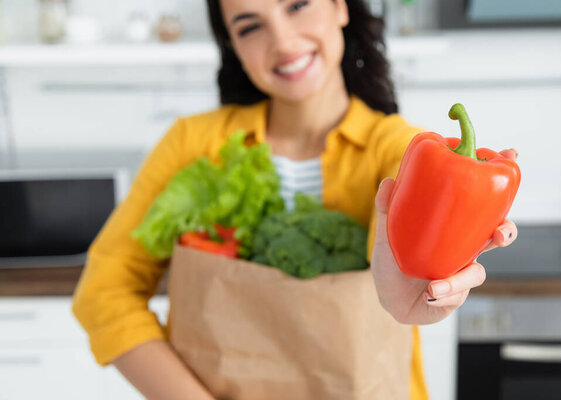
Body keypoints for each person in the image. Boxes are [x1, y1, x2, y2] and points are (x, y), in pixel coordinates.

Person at [72, 0, 518, 399]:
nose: (282, 41)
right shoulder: (191, 143)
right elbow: (103, 293)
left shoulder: (401, 150)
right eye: (250, 27)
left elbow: (420, 219)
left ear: (341, 7)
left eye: (298, 5)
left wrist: (426, 288)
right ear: (232, 45)